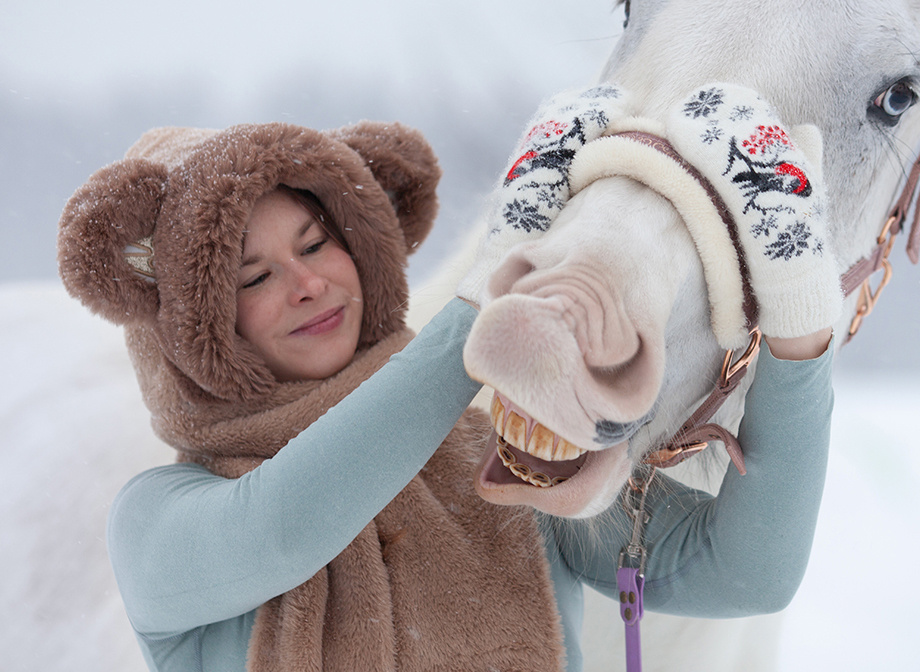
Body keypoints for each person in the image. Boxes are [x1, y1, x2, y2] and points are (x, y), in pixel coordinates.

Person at [58, 117, 835, 672]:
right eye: (253, 277)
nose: (306, 284)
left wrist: (800, 334)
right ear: (197, 330)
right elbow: (287, 527)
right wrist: (486, 298)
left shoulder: (507, 464)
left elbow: (750, 572)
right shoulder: (156, 521)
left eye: (317, 243)